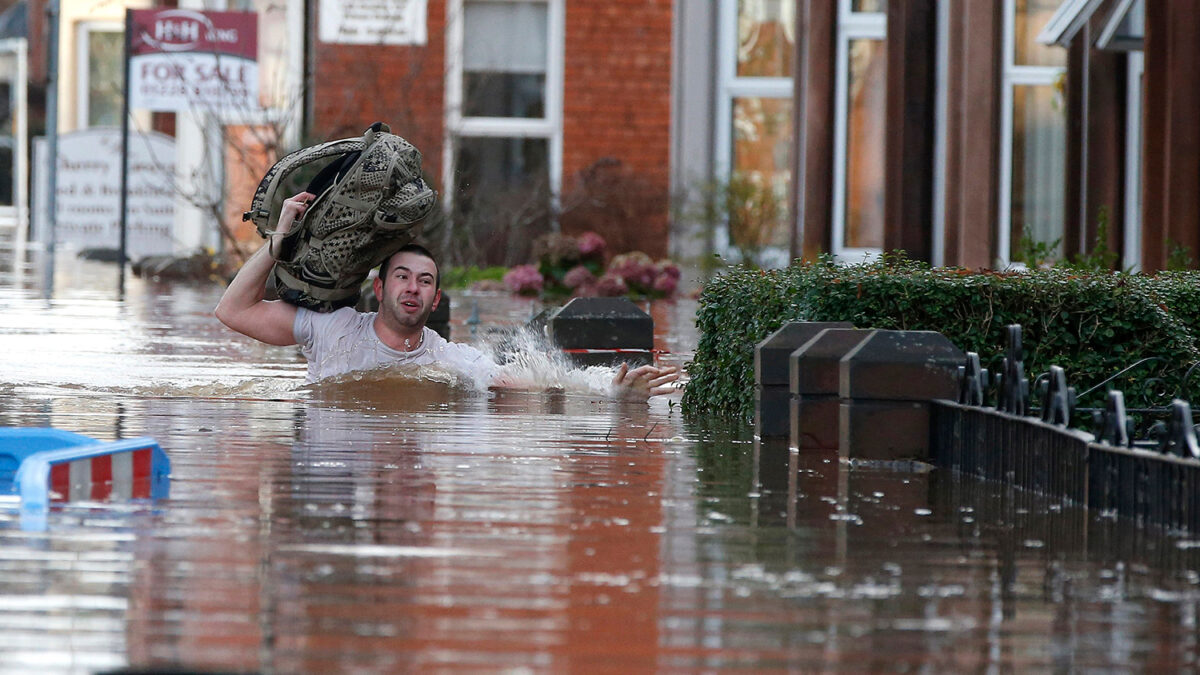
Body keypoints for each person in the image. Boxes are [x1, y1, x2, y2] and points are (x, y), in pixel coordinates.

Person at [215, 192, 681, 399]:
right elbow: (232, 310)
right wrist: (278, 242)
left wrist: (613, 391)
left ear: (436, 300)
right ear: (379, 288)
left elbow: (543, 383)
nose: (413, 287)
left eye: (425, 280)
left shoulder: (451, 361)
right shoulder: (329, 325)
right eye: (402, 277)